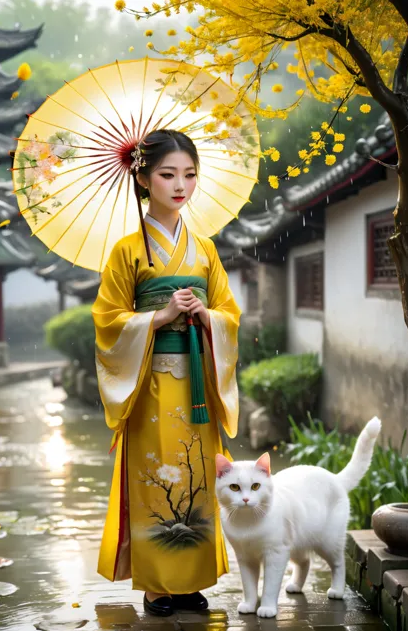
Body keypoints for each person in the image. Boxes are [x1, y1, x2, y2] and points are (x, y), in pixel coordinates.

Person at [92, 129, 241, 617]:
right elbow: (108, 319)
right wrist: (156, 317)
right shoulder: (126, 252)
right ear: (143, 177)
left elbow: (229, 312)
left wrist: (205, 315)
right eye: (168, 174)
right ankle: (157, 585)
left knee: (198, 472)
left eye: (190, 175)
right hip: (152, 384)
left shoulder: (206, 250)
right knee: (157, 477)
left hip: (198, 381)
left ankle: (192, 581)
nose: (181, 185)